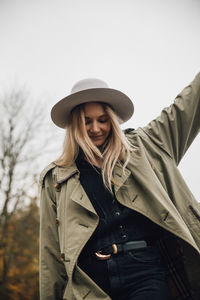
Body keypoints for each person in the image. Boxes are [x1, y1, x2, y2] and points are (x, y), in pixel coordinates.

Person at [39, 75, 200, 300]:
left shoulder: (148, 145)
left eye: (103, 119)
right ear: (75, 124)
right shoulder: (55, 178)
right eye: (87, 121)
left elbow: (187, 107)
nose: (95, 128)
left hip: (146, 271)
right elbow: (50, 252)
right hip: (90, 284)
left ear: (112, 120)